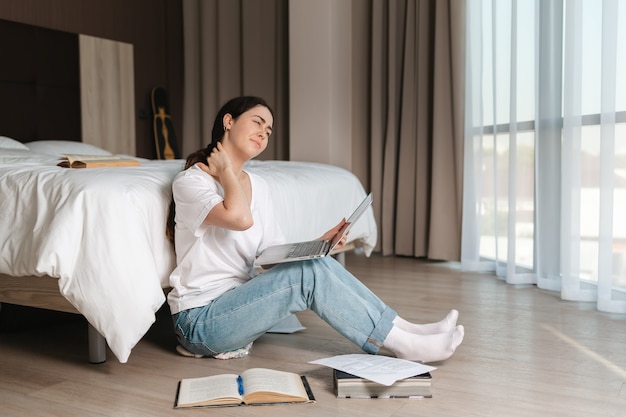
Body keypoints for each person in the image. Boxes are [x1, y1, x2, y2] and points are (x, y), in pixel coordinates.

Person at [166, 96, 464, 363]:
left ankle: (407, 329)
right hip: (199, 322)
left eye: (268, 131)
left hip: (237, 306)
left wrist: (318, 244)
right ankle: (404, 345)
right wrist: (227, 171)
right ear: (228, 121)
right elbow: (240, 218)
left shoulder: (260, 186)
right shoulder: (192, 182)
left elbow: (268, 257)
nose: (263, 133)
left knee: (313, 263)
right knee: (304, 276)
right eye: (257, 122)